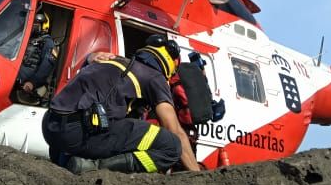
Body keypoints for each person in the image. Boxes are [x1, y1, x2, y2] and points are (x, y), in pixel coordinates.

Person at [41, 34, 201, 174]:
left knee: (112, 124)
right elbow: (174, 130)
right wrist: (198, 175)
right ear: (170, 64)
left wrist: (91, 56)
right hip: (76, 134)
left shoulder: (112, 60)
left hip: (50, 127)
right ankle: (93, 167)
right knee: (171, 145)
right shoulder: (154, 77)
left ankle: (69, 160)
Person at [14, 11, 58, 101]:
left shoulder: (48, 43)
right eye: (32, 23)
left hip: (28, 76)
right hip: (17, 70)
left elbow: (46, 67)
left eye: (35, 23)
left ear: (44, 25)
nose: (32, 26)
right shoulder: (27, 39)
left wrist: (32, 82)